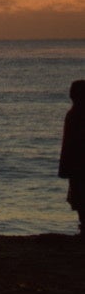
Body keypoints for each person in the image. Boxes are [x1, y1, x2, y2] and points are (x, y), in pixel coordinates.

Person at [60, 79, 85, 235]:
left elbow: (68, 143)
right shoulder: (73, 114)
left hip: (77, 165)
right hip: (77, 164)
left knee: (79, 197)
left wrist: (65, 168)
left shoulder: (73, 114)